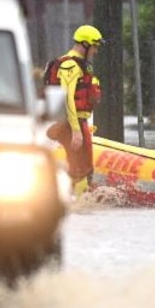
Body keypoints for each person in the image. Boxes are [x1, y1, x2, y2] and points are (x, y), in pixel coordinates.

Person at [44, 24, 104, 196]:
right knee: (82, 169)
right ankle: (80, 205)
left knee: (80, 166)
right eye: (94, 46)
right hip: (73, 123)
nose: (96, 51)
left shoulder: (81, 65)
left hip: (77, 122)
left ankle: (73, 197)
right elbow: (67, 98)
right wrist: (76, 130)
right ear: (84, 44)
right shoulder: (70, 66)